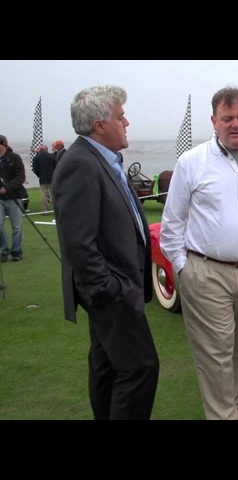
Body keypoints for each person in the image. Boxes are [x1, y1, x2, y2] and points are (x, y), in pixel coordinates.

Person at [160, 86, 238, 420]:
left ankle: (235, 403)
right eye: (227, 118)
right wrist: (183, 267)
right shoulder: (192, 162)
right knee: (215, 353)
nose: (235, 124)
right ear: (214, 121)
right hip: (206, 272)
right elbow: (173, 222)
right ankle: (222, 415)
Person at [52, 85, 159, 420]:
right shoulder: (80, 164)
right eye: (119, 116)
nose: (126, 122)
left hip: (116, 288)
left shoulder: (103, 159)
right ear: (99, 125)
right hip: (111, 292)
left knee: (108, 366)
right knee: (141, 368)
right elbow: (78, 243)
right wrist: (109, 289)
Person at [0, 134, 28, 262]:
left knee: (16, 227)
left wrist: (7, 187)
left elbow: (21, 177)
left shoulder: (14, 158)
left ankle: (16, 251)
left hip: (14, 197)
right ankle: (4, 250)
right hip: (0, 199)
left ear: (4, 144)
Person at [31, 144, 57, 214]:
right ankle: (56, 209)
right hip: (52, 177)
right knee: (54, 193)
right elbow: (56, 166)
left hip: (42, 177)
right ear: (47, 149)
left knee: (44, 194)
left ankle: (45, 211)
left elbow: (35, 169)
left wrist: (39, 175)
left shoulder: (36, 158)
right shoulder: (52, 156)